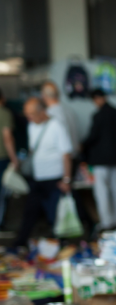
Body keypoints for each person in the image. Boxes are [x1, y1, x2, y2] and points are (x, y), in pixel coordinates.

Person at [14, 98, 73, 248]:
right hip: (37, 178)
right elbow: (33, 149)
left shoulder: (57, 126)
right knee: (30, 212)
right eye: (26, 114)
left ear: (43, 112)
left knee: (55, 215)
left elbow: (66, 154)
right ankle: (19, 244)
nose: (29, 118)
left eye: (32, 114)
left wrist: (66, 180)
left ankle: (60, 246)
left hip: (55, 178)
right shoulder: (32, 126)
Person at [83, 89, 116, 230]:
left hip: (100, 160)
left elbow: (92, 137)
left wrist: (82, 147)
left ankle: (106, 222)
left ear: (96, 99)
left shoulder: (98, 115)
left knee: (102, 192)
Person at [41, 81, 80, 153]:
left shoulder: (48, 114)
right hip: (75, 154)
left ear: (44, 96)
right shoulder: (69, 110)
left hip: (62, 159)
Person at [0, 89, 19, 226]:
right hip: (2, 158)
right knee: (2, 193)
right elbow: (7, 138)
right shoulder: (4, 113)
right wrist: (14, 159)